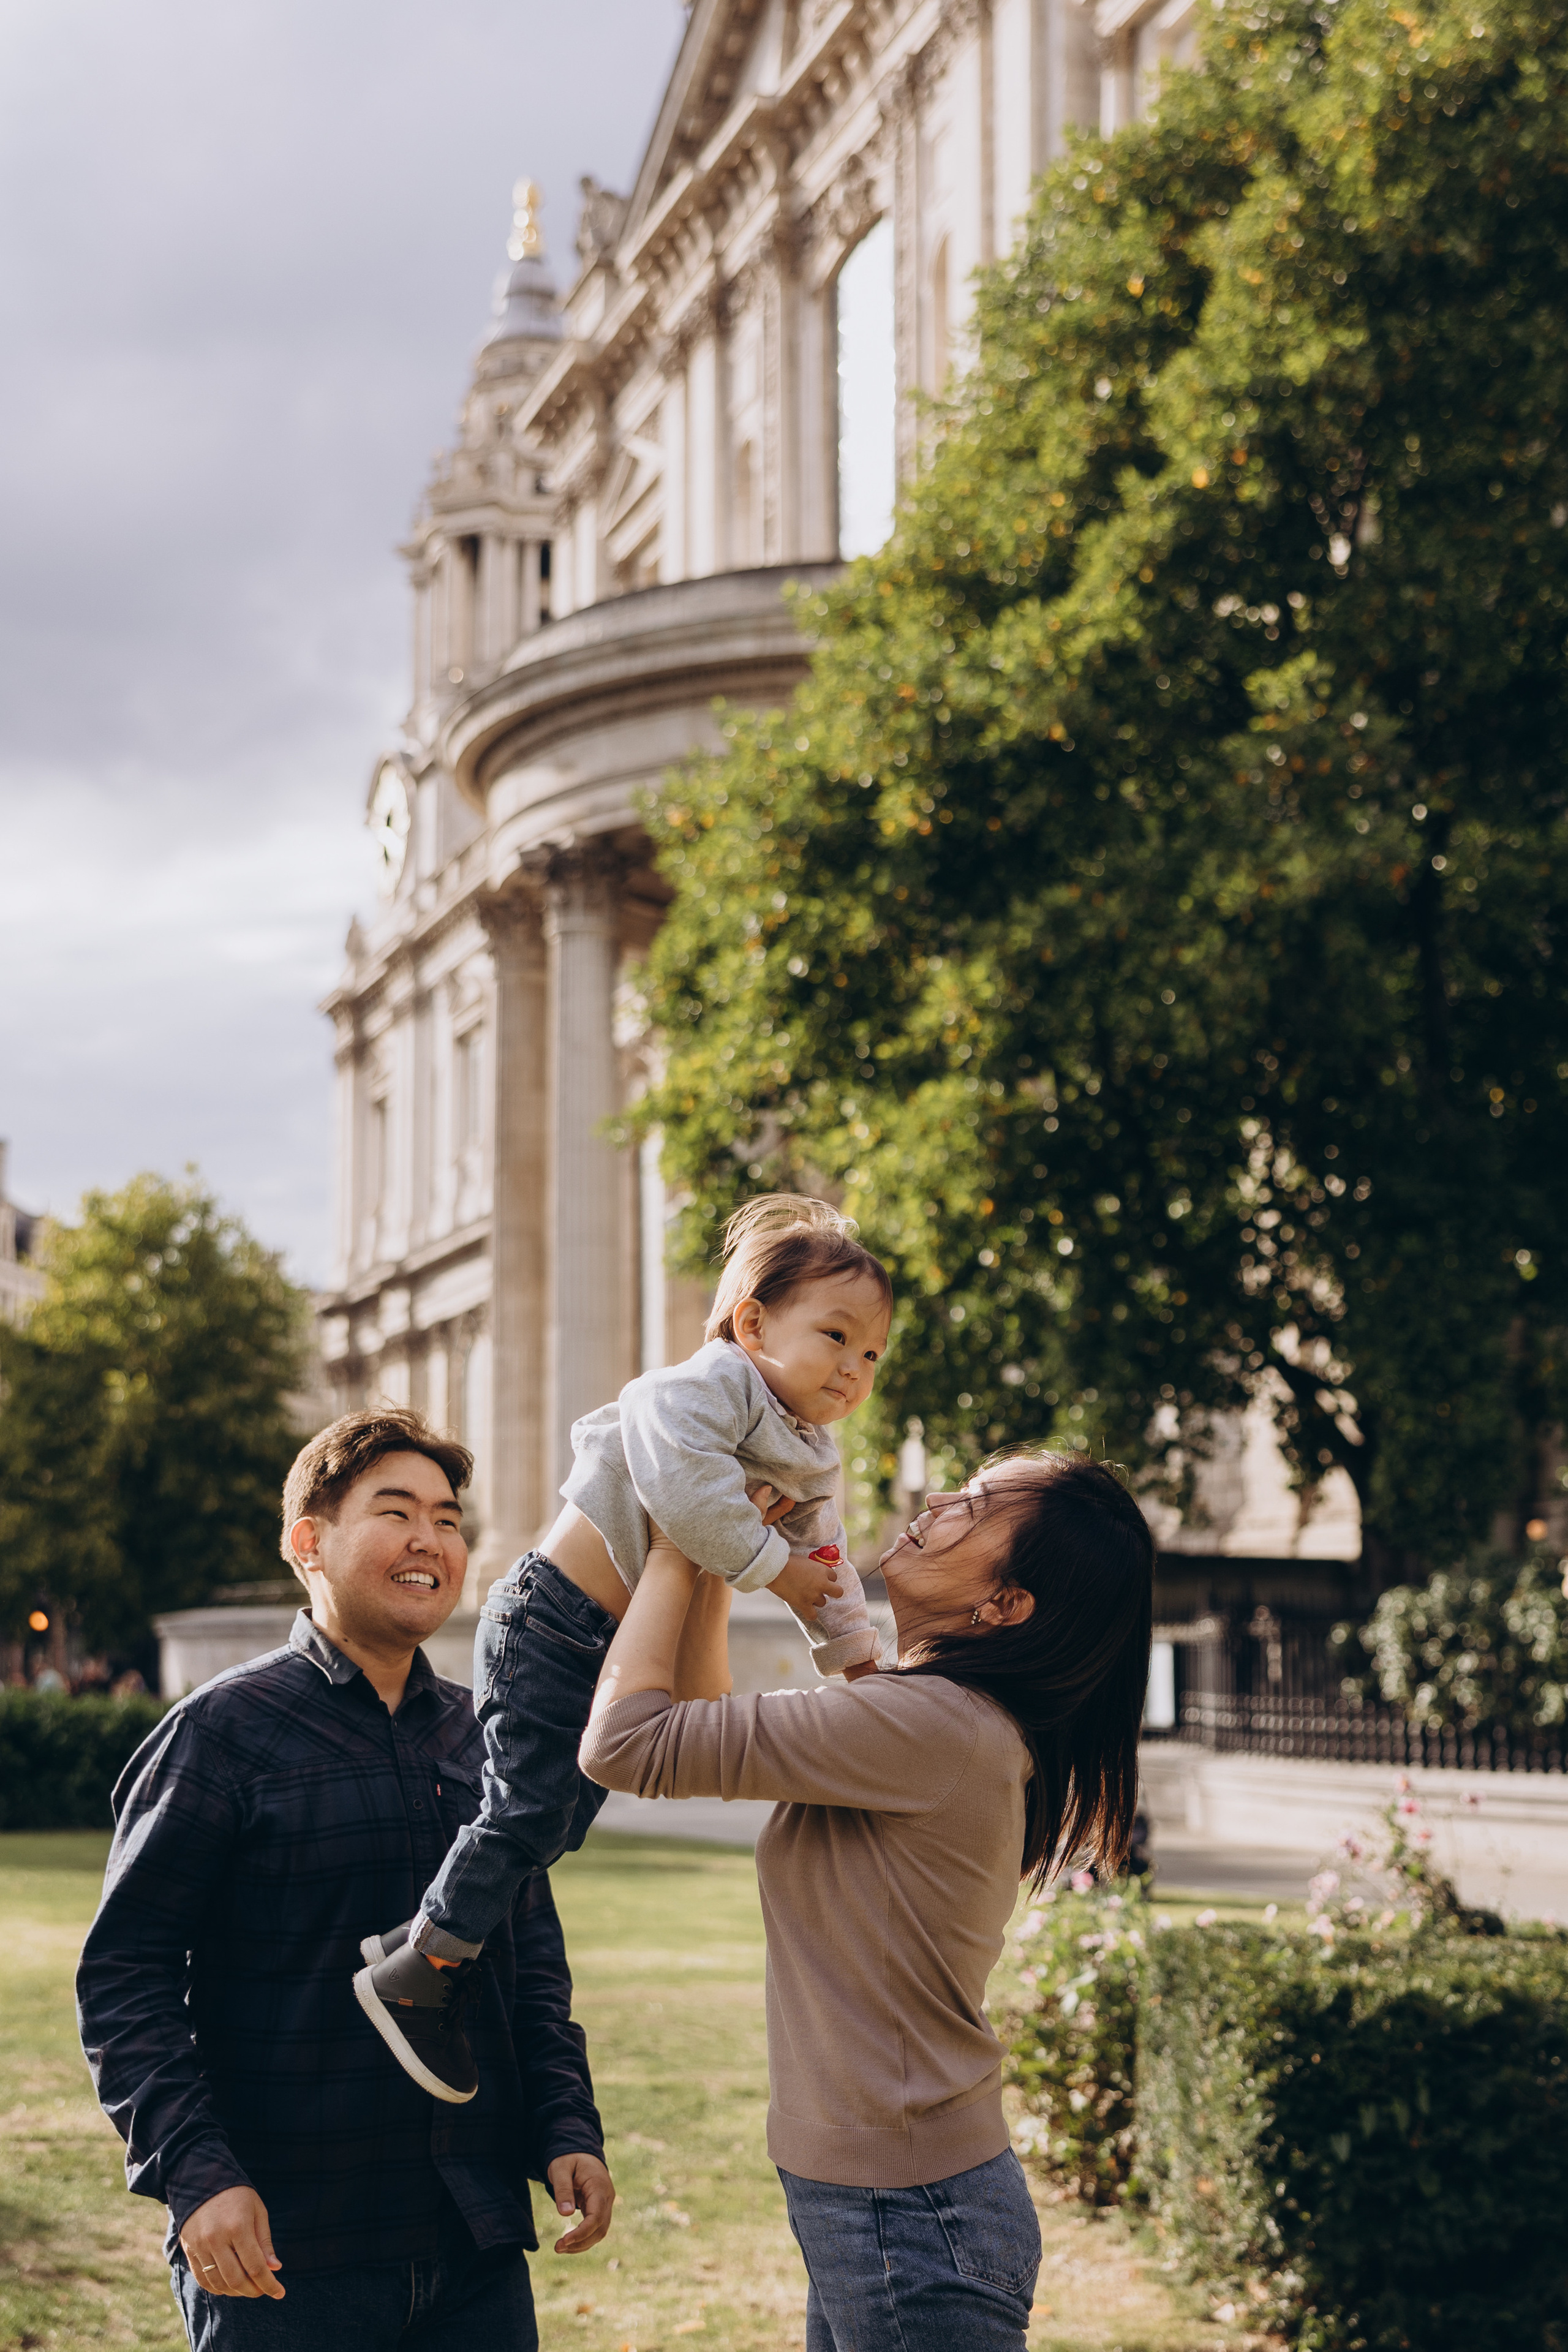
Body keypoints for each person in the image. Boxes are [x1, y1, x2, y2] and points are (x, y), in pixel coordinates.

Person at [581, 1449, 1154, 2352]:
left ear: (1004, 1606)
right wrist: (716, 1553)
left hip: (909, 2215)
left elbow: (625, 1743)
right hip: (894, 2203)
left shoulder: (931, 1727)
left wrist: (676, 1545)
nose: (937, 1499)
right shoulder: (924, 1713)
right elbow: (700, 1713)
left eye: (974, 1505)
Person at [76, 1407, 613, 2352]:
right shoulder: (219, 1734)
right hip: (286, 2252)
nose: (430, 1540)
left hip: (473, 2243)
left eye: (449, 1520)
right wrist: (197, 2174)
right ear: (308, 1543)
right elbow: (127, 1977)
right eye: (396, 1511)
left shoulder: (486, 1742)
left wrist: (566, 2126)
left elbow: (529, 1966)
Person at [357, 1196, 892, 2103]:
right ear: (754, 1322)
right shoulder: (702, 1388)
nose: (853, 1368)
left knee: (558, 1824)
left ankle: (415, 1940)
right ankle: (416, 1978)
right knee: (525, 1810)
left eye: (873, 1354)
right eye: (836, 1336)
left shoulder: (808, 1453)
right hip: (549, 1620)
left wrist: (859, 1664)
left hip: (601, 1640)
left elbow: (826, 1562)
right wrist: (776, 1568)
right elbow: (683, 1495)